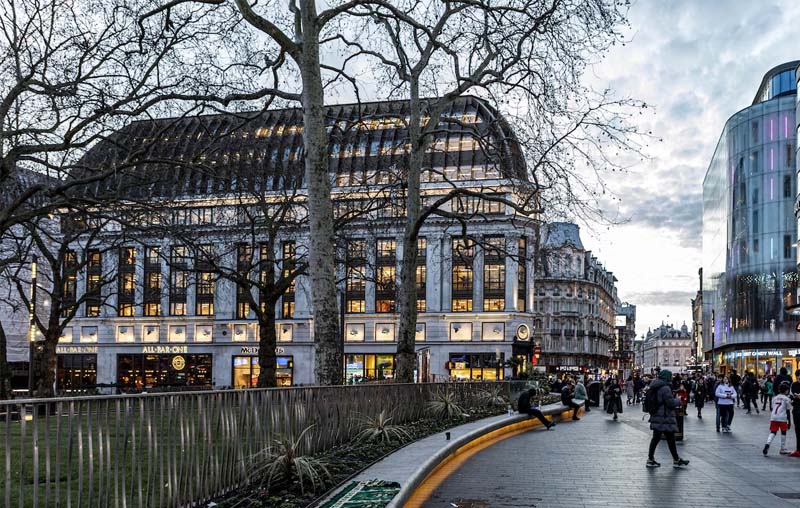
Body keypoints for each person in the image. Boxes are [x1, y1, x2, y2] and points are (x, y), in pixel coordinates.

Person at [646, 369, 690, 468]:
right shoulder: (665, 388)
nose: (671, 379)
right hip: (664, 417)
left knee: (660, 438)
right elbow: (670, 403)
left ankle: (655, 459)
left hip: (657, 415)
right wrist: (678, 400)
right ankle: (673, 460)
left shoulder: (655, 385)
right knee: (667, 438)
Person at [763, 383, 792, 456]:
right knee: (783, 432)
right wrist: (789, 421)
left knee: (773, 432)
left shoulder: (775, 398)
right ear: (786, 391)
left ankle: (767, 444)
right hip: (782, 417)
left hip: (774, 417)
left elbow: (773, 407)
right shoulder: (787, 399)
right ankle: (782, 448)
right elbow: (788, 409)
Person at [790, 370, 800, 458]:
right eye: (798, 376)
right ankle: (798, 449)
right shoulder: (794, 384)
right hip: (796, 409)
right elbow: (792, 395)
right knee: (797, 429)